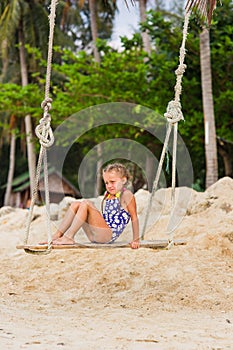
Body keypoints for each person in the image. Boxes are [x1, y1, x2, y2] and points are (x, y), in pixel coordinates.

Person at [51, 163, 140, 249]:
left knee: (86, 203)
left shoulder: (127, 194)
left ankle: (69, 237)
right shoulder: (109, 195)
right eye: (106, 183)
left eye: (112, 182)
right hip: (95, 235)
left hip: (108, 236)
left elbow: (134, 217)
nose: (109, 186)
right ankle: (57, 235)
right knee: (76, 204)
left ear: (123, 180)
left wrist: (136, 240)